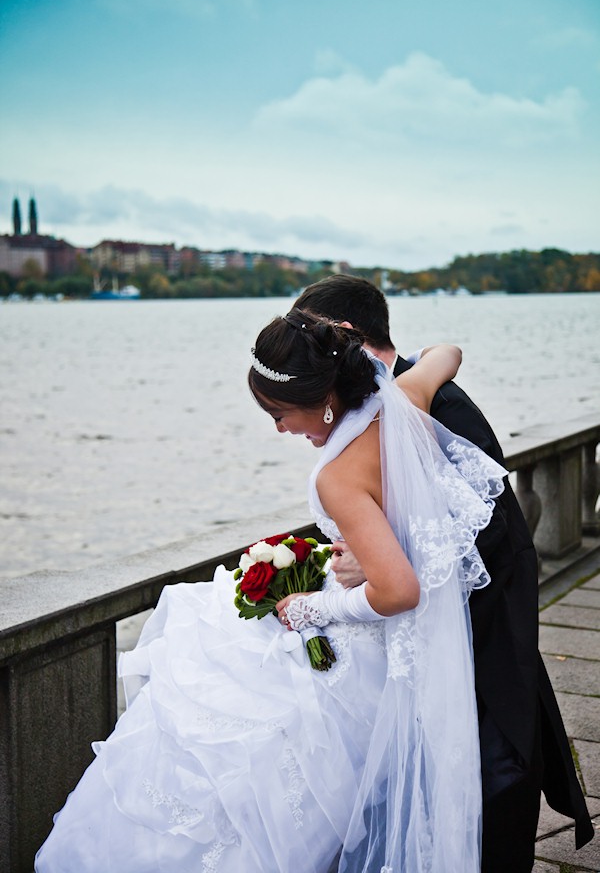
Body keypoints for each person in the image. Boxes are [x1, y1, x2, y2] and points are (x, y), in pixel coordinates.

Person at [37, 311, 502, 872]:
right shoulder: (405, 400)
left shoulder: (339, 475)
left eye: (280, 414)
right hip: (416, 635)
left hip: (375, 638)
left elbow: (399, 590)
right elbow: (446, 352)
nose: (280, 430)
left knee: (233, 737)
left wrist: (313, 606)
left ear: (324, 399)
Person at [293, 275, 594, 871]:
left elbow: (490, 529)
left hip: (481, 626)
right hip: (429, 626)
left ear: (344, 333)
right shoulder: (394, 389)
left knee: (490, 771)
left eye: (311, 335)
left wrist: (376, 563)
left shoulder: (429, 403)